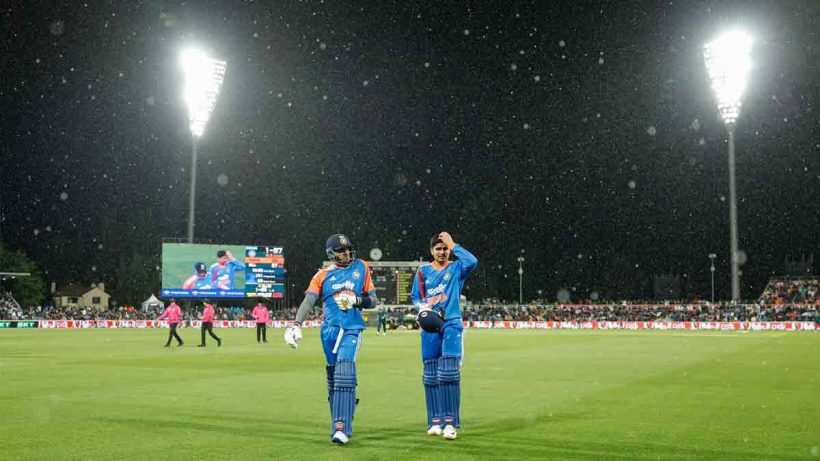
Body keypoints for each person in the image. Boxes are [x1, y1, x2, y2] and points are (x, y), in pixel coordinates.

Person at [284, 234, 377, 445]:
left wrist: (356, 300)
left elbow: (372, 300)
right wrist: (296, 325)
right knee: (334, 377)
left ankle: (341, 427)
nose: (346, 253)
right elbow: (309, 301)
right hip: (328, 331)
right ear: (330, 254)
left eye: (347, 249)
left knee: (344, 370)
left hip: (352, 328)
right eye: (341, 251)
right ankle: (341, 418)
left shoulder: (361, 267)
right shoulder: (322, 276)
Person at [410, 231, 477, 440]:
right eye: (438, 248)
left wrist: (454, 244)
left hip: (452, 323)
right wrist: (423, 309)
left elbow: (473, 261)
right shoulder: (423, 272)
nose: (442, 252)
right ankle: (434, 421)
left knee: (448, 372)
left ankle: (450, 423)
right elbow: (415, 296)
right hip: (430, 326)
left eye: (444, 248)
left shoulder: (457, 268)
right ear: (431, 251)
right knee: (430, 375)